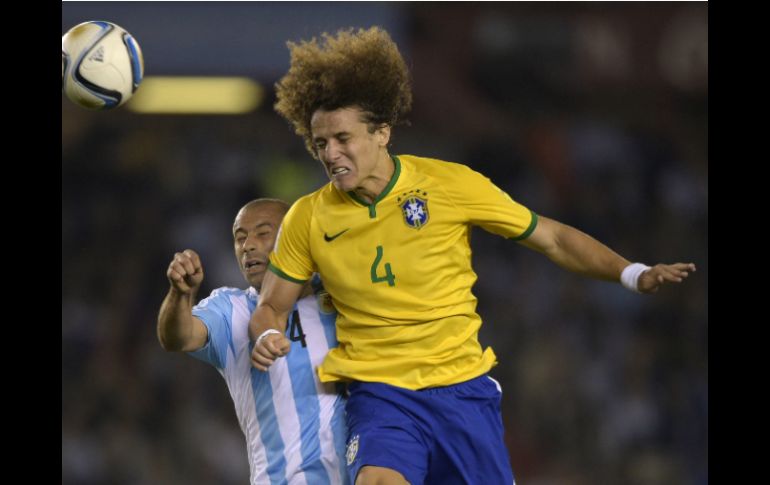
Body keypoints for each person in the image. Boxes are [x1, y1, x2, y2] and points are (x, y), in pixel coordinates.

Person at [249, 27, 696, 485]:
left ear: (382, 132)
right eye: (320, 143)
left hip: (461, 393)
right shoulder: (308, 217)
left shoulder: (449, 184)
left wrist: (631, 272)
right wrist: (266, 334)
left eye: (343, 138)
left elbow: (553, 239)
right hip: (381, 397)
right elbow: (271, 305)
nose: (331, 153)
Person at [157, 198, 349, 485]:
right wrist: (179, 294)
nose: (247, 245)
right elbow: (177, 337)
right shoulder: (230, 309)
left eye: (263, 233)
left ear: (296, 236)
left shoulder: (339, 294)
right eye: (240, 237)